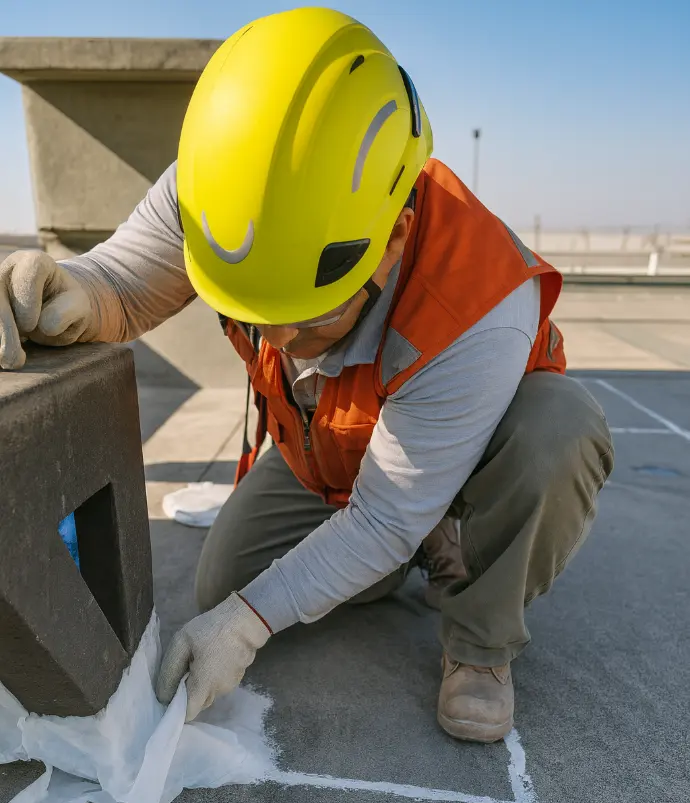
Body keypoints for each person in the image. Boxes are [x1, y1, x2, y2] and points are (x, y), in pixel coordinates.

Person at [0, 7, 613, 742]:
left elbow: (386, 513)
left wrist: (254, 623)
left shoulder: (478, 301)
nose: (280, 342)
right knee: (223, 581)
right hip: (336, 451)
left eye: (306, 312)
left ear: (391, 238)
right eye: (255, 311)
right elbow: (122, 284)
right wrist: (62, 290)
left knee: (559, 433)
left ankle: (480, 639)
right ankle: (400, 554)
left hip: (476, 449)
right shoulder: (224, 190)